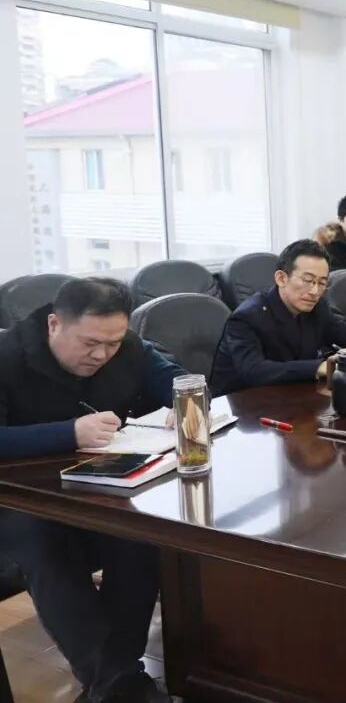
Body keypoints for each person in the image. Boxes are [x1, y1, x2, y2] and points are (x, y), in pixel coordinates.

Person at [0, 278, 185, 703]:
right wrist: (67, 433)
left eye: (113, 343)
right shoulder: (7, 356)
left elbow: (176, 378)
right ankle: (121, 685)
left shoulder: (128, 347)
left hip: (97, 486)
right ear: (54, 324)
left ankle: (115, 678)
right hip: (18, 498)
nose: (102, 355)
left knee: (140, 534)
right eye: (90, 343)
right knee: (45, 543)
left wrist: (184, 400)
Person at [211, 239, 346, 395]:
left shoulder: (318, 307)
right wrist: (317, 367)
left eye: (322, 283)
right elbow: (254, 371)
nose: (315, 291)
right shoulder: (247, 317)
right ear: (281, 278)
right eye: (308, 280)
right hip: (242, 401)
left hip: (292, 395)